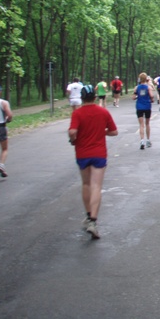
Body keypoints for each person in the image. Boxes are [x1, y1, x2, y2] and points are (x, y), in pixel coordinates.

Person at [68, 84, 118, 239]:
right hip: (99, 153)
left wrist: (73, 139)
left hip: (82, 153)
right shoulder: (103, 112)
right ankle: (93, 222)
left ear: (82, 98)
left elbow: (72, 131)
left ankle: (88, 215)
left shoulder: (77, 113)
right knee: (96, 186)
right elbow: (114, 132)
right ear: (95, 97)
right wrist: (102, 132)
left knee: (86, 184)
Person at [0, 84, 13, 183]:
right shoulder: (4, 103)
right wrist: (8, 120)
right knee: (4, 149)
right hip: (1, 127)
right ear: (0, 92)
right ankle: (1, 165)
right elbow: (9, 115)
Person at [133, 72, 155, 149]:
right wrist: (151, 99)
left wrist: (137, 96)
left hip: (139, 107)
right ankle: (148, 140)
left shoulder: (137, 87)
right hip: (147, 106)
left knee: (141, 125)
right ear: (146, 79)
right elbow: (152, 95)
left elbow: (133, 97)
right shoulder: (148, 87)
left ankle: (142, 140)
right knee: (147, 123)